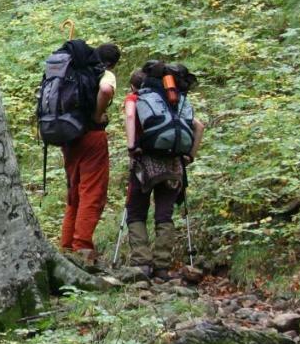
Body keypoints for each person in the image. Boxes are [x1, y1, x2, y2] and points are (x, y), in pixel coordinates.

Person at [124, 61, 206, 279]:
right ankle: (162, 266)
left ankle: (141, 262)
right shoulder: (175, 100)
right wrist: (190, 156)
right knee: (164, 213)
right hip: (174, 163)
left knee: (136, 210)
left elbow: (131, 116)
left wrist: (132, 147)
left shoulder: (137, 98)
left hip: (145, 162)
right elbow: (199, 126)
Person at [60, 42, 120, 265]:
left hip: (68, 135)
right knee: (91, 190)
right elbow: (105, 90)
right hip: (92, 136)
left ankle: (66, 246)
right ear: (113, 63)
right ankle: (82, 246)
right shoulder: (105, 74)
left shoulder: (74, 71)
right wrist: (97, 114)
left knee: (74, 191)